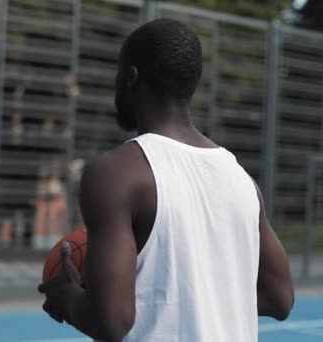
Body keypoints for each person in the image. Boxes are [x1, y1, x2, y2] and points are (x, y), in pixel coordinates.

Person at [38, 19, 294, 341]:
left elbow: (112, 322)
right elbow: (280, 298)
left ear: (131, 77)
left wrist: (68, 297)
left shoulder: (115, 175)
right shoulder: (242, 180)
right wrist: (201, 298)